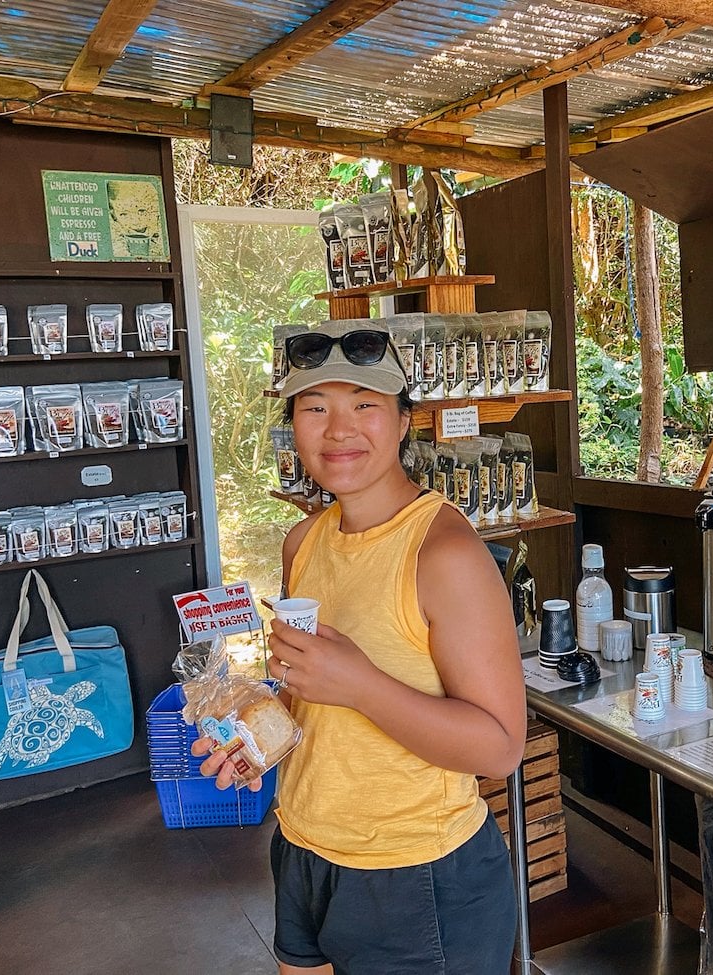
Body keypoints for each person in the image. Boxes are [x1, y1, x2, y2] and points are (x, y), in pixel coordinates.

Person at [198, 319, 527, 974]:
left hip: (418, 875)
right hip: (303, 849)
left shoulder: (444, 551)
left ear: (404, 420)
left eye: (364, 406)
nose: (337, 429)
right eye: (314, 407)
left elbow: (500, 746)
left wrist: (360, 683)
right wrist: (258, 741)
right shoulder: (305, 542)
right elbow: (306, 696)